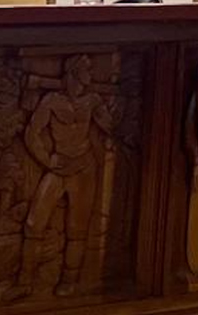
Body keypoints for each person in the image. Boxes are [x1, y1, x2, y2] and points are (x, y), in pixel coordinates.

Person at [8, 55, 118, 299]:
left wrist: (112, 114)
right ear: (74, 73)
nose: (90, 75)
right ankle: (24, 282)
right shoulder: (52, 101)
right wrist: (47, 160)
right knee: (33, 222)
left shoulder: (92, 101)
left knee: (77, 229)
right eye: (87, 70)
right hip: (57, 168)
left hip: (84, 170)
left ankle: (69, 281)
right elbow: (32, 133)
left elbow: (111, 127)